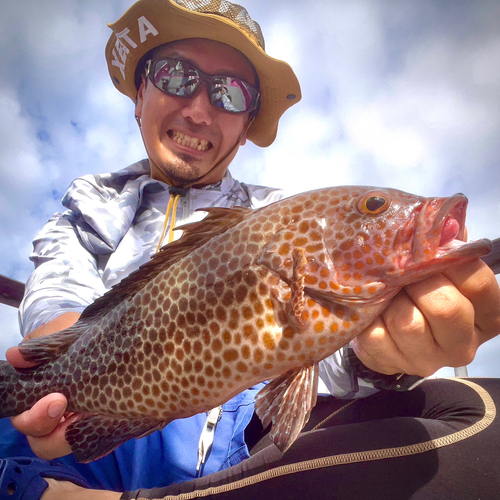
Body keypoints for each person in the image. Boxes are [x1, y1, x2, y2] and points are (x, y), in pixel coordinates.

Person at [1, 1, 500, 499]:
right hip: (78, 419)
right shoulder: (89, 201)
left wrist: (382, 355)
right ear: (140, 94)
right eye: (176, 76)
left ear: (245, 129)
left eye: (229, 92)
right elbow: (56, 293)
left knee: (478, 413)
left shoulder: (275, 216)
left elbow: (325, 357)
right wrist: (60, 374)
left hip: (225, 458)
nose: (198, 109)